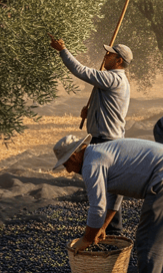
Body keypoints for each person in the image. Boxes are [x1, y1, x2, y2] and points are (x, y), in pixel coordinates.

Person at [52, 135, 163, 273]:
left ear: (74, 156)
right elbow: (115, 194)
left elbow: (97, 208)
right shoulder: (99, 153)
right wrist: (103, 226)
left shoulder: (90, 164)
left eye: (66, 165)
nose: (68, 170)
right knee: (156, 238)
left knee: (148, 239)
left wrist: (87, 239)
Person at [49, 34, 132, 234]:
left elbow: (80, 71)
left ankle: (111, 232)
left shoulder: (113, 78)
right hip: (106, 138)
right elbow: (107, 105)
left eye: (110, 54)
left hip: (106, 141)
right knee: (104, 187)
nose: (106, 56)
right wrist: (91, 112)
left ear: (119, 60)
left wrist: (63, 51)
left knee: (106, 188)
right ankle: (104, 230)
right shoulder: (114, 80)